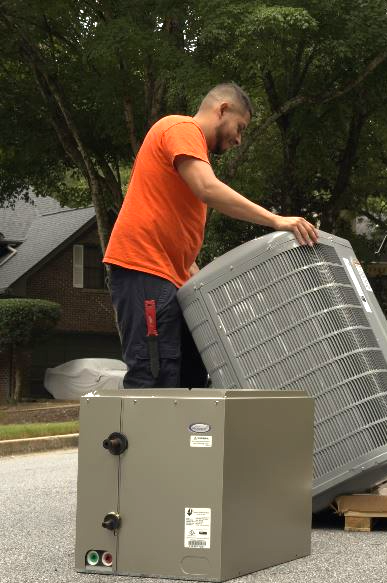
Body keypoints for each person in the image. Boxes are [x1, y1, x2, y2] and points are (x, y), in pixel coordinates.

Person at [103, 82, 318, 388]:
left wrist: (203, 289)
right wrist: (276, 220)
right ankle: (152, 436)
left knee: (191, 375)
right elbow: (208, 188)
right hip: (144, 272)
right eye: (239, 127)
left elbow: (179, 246)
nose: (239, 139)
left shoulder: (189, 160)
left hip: (169, 278)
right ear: (223, 110)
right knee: (155, 375)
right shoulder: (180, 127)